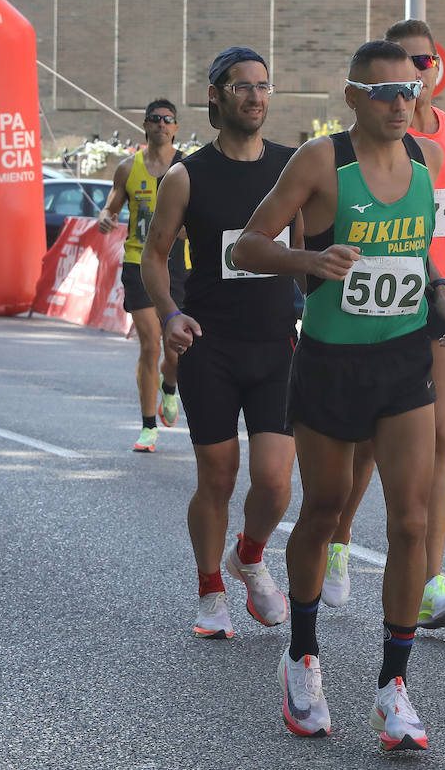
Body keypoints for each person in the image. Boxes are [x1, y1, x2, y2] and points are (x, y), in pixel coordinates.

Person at [233, 40, 445, 749]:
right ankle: (303, 654)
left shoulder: (425, 163)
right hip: (332, 364)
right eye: (386, 92)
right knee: (326, 508)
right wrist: (308, 259)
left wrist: (439, 299)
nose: (402, 103)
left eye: (411, 89)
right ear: (353, 98)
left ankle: (393, 688)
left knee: (411, 524)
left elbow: (414, 250)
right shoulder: (321, 163)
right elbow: (247, 245)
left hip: (402, 364)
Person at [321, 20, 445, 629]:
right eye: (406, 66)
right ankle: (337, 542)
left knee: (442, 436)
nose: (416, 77)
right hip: (381, 292)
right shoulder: (372, 147)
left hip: (442, 290)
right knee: (367, 445)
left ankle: (429, 582)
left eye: (425, 64)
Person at [142, 46, 297, 643]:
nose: (255, 97)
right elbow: (156, 256)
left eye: (263, 86)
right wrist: (170, 313)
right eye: (242, 87)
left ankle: (249, 554)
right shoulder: (187, 175)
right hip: (210, 344)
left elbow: (307, 247)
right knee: (218, 474)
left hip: (275, 343)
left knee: (277, 480)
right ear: (215, 96)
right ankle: (211, 587)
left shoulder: (291, 167)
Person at [96, 99, 190, 453]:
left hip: (178, 263)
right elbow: (112, 206)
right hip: (138, 261)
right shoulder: (127, 168)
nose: (162, 125)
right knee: (150, 343)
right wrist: (106, 217)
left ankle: (170, 387)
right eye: (155, 119)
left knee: (175, 349)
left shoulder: (186, 166)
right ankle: (148, 427)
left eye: (168, 120)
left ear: (175, 128)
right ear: (146, 126)